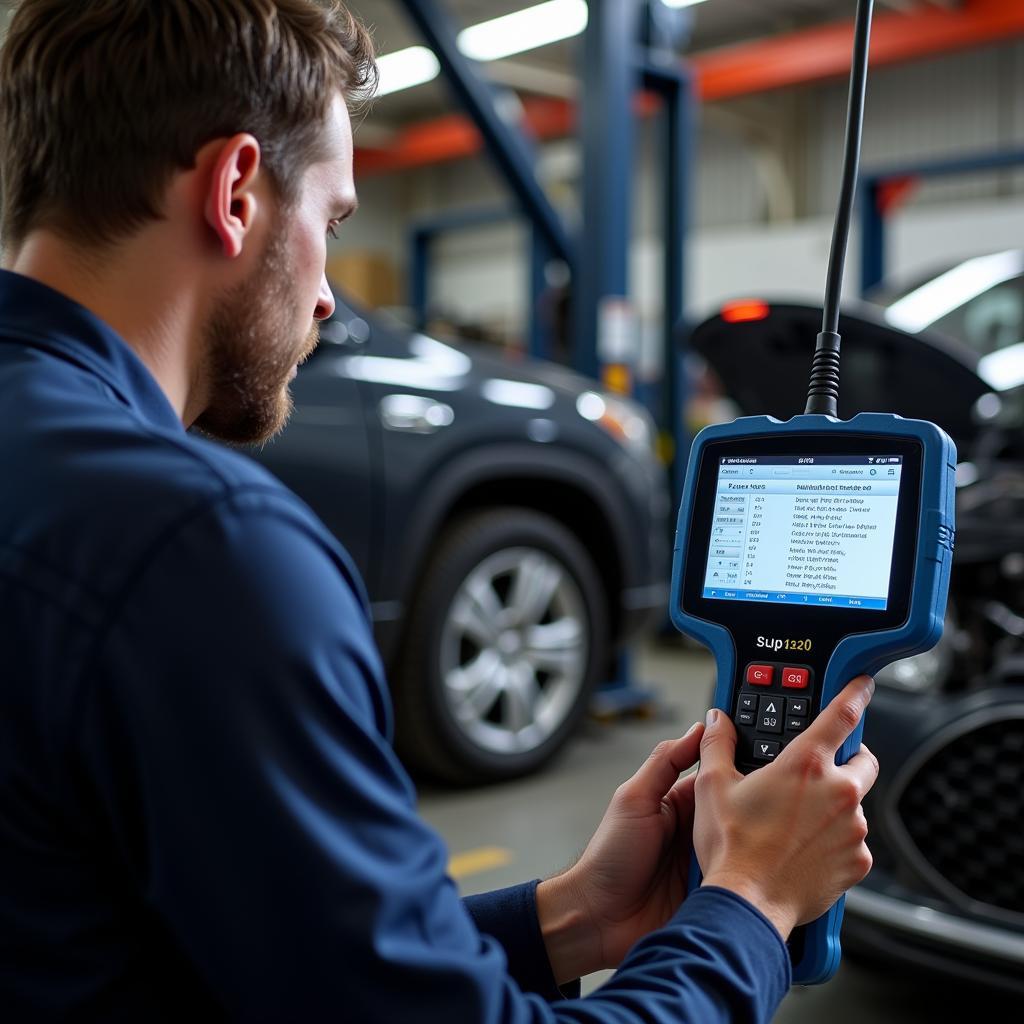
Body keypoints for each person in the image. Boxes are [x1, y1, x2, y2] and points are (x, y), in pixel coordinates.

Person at [0, 2, 879, 1020]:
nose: (327, 295)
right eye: (330, 223)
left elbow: (270, 960)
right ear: (236, 191)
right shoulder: (207, 548)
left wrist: (576, 918)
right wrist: (751, 902)